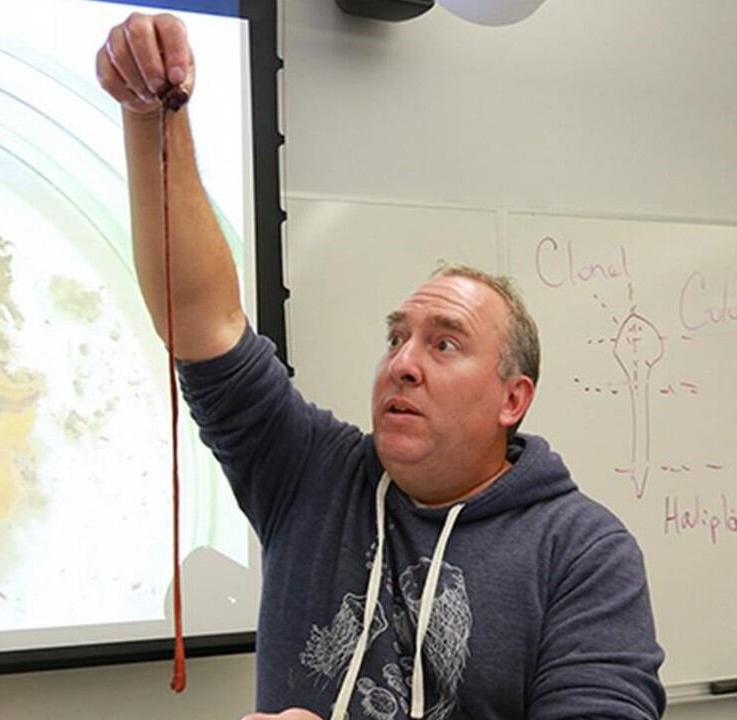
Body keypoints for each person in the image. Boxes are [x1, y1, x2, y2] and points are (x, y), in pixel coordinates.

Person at [96, 12, 666, 720]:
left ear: (512, 398)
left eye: (445, 343)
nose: (402, 363)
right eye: (396, 338)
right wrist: (151, 115)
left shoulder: (581, 550)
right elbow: (204, 322)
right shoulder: (311, 476)